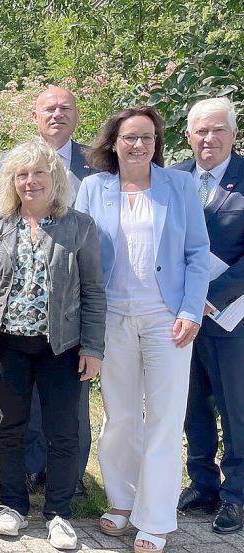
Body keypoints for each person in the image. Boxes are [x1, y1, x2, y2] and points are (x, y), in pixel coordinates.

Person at [75, 105, 210, 553]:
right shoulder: (94, 188)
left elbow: (197, 252)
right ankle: (122, 502)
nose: (139, 145)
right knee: (121, 417)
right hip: (112, 317)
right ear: (114, 142)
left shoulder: (180, 185)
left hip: (166, 319)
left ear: (158, 143)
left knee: (165, 419)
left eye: (148, 138)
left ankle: (155, 518)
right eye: (130, 137)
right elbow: (79, 254)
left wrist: (190, 311)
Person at [0, 139, 106, 550]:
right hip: (8, 344)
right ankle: (11, 506)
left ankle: (58, 514)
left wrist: (93, 347)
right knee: (9, 428)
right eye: (22, 174)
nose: (30, 181)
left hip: (61, 347)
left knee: (62, 431)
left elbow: (95, 292)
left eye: (39, 173)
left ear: (55, 178)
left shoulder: (78, 225)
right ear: (13, 182)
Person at [0, 86, 98, 496]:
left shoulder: (98, 163)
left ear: (77, 114)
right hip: (23, 308)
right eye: (48, 109)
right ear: (35, 116)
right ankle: (34, 467)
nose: (57, 115)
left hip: (76, 295)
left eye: (65, 108)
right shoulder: (12, 160)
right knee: (25, 400)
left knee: (72, 400)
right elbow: (1, 225)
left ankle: (70, 477)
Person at [172, 97, 244, 534]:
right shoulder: (173, 178)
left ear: (234, 135)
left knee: (235, 408)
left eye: (218, 130)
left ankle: (236, 495)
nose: (209, 138)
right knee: (191, 402)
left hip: (231, 317)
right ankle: (202, 483)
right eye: (201, 130)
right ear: (188, 135)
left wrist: (208, 295)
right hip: (181, 315)